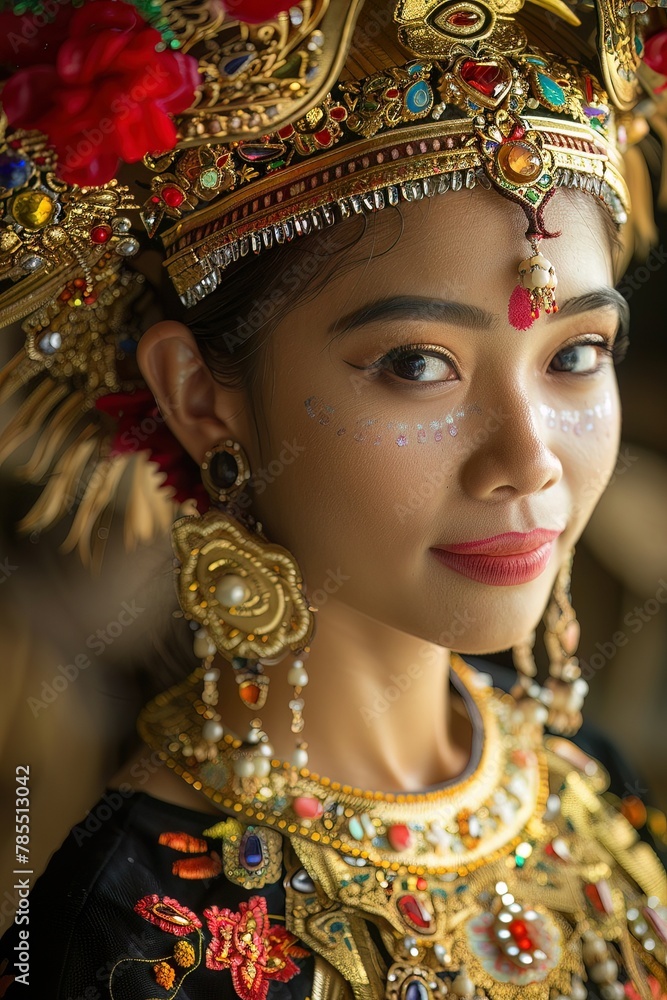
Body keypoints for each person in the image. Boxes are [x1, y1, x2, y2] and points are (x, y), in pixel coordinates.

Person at [0, 0, 666, 998]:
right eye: (417, 364)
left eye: (575, 354)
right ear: (199, 396)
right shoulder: (133, 939)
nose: (527, 460)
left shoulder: (583, 781)